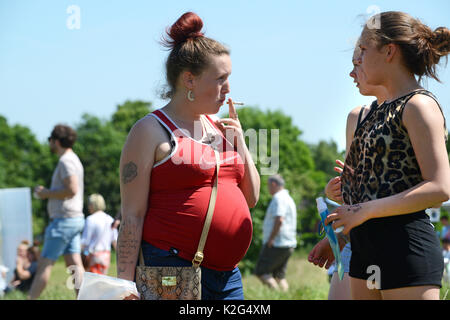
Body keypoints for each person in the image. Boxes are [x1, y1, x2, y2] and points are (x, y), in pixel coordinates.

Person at [117, 12, 260, 300]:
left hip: (227, 274)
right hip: (172, 268)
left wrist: (241, 143)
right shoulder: (150, 129)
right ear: (190, 80)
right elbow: (132, 214)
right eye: (220, 79)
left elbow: (252, 197)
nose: (228, 88)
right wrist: (124, 285)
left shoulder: (221, 127)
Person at [323, 11, 450, 300]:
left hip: (405, 248)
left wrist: (364, 210)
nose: (359, 59)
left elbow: (440, 187)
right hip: (364, 249)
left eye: (364, 50)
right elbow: (370, 191)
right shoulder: (372, 112)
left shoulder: (418, 105)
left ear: (389, 51)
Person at [311, 41, 388, 300]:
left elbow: (430, 187)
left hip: (397, 244)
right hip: (355, 245)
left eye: (357, 64)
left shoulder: (416, 108)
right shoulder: (357, 116)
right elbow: (353, 196)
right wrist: (337, 239)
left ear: (387, 58)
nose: (351, 73)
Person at [30, 124, 85, 299]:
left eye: (50, 140)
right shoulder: (73, 158)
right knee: (75, 266)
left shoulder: (65, 161)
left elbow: (72, 189)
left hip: (63, 221)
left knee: (44, 266)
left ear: (56, 141)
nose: (49, 144)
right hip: (74, 219)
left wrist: (46, 193)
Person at [254, 174, 297, 292]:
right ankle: (286, 297)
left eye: (268, 185)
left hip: (277, 243)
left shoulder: (279, 198)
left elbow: (279, 219)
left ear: (273, 184)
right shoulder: (288, 198)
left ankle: (276, 296)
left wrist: (271, 239)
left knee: (261, 272)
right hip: (288, 244)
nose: (268, 189)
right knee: (279, 276)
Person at [81, 194, 115, 275]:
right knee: (102, 281)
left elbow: (85, 241)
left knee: (92, 282)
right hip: (106, 255)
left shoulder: (90, 219)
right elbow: (115, 240)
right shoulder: (110, 219)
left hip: (93, 255)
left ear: (93, 205)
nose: (88, 207)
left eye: (89, 204)